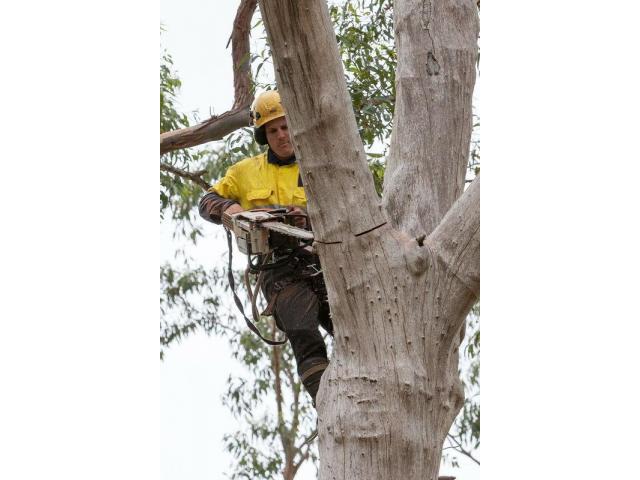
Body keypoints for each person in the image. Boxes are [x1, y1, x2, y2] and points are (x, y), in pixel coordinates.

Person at [198, 90, 332, 405]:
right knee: (302, 331)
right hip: (280, 270)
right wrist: (229, 210)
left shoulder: (321, 167)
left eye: (285, 126)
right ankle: (325, 399)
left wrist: (305, 217)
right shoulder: (244, 172)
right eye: (273, 130)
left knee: (360, 332)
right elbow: (208, 202)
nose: (281, 135)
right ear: (264, 135)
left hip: (327, 265)